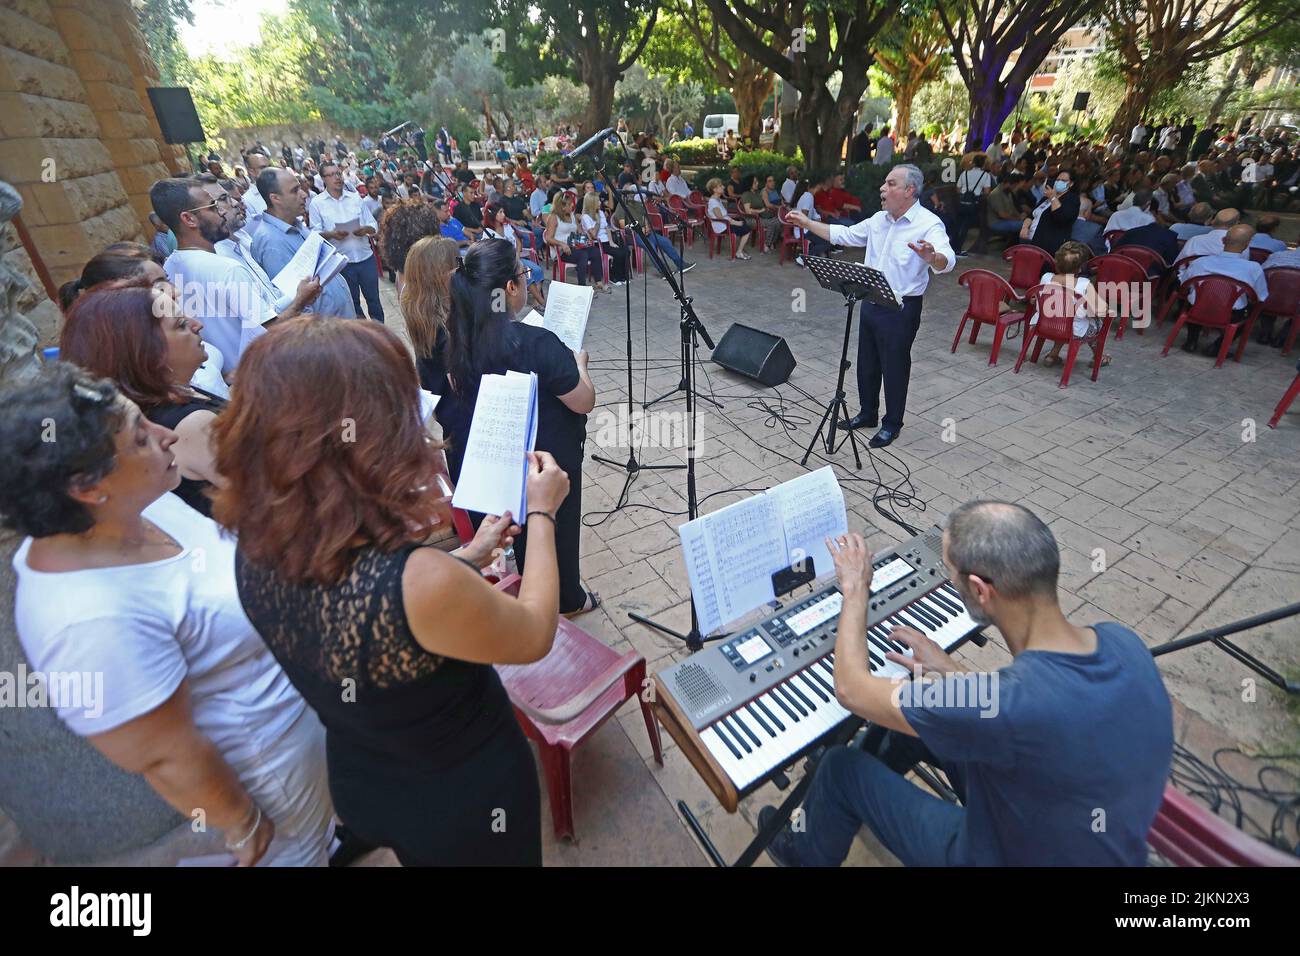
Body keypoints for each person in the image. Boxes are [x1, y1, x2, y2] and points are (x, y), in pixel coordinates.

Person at [209, 316, 557, 865]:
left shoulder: (254, 543)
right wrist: (542, 512)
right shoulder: (417, 583)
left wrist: (465, 556)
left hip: (366, 776)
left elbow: (361, 615)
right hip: (465, 800)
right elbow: (535, 632)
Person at [4, 362, 336, 866]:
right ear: (87, 487)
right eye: (139, 437)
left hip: (300, 744)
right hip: (268, 783)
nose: (165, 435)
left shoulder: (134, 505)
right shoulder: (86, 622)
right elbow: (165, 753)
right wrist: (241, 822)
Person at [758, 501, 1173, 867]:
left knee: (839, 768)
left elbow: (851, 689)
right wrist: (952, 672)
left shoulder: (1003, 704)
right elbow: (1028, 712)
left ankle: (806, 851)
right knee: (905, 728)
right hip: (1080, 831)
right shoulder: (1122, 642)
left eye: (952, 576)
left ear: (979, 589)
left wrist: (855, 590)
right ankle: (857, 805)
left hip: (1003, 854)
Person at [421, 239, 598, 617]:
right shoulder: (539, 342)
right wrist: (579, 363)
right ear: (510, 289)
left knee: (522, 525)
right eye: (523, 274)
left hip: (501, 456)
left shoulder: (459, 339)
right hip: (547, 459)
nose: (526, 279)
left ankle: (528, 573)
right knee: (555, 527)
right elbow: (582, 400)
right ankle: (567, 601)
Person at [788, 164, 954, 448]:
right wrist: (807, 224)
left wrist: (932, 257)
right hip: (870, 299)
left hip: (902, 308)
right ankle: (868, 413)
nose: (882, 188)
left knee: (894, 366)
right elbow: (844, 235)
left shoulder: (928, 223)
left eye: (890, 184)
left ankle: (892, 424)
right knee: (866, 362)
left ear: (909, 191)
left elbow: (947, 260)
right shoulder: (879, 220)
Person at [60, 281, 228, 516]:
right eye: (181, 325)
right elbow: (269, 498)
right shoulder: (191, 424)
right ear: (145, 351)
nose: (197, 325)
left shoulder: (168, 398)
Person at [151, 177, 320, 376]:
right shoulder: (227, 269)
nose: (223, 211)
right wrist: (301, 301)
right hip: (262, 376)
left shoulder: (170, 266)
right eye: (213, 207)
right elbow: (269, 332)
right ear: (189, 219)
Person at [252, 167, 357, 319]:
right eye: (295, 191)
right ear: (275, 198)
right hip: (327, 334)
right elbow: (296, 305)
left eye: (300, 188)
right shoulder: (270, 242)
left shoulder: (296, 224)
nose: (303, 195)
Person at [309, 161, 384, 323]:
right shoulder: (317, 203)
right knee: (352, 304)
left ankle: (381, 334)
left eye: (338, 173)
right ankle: (364, 334)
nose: (337, 177)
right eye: (331, 175)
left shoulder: (355, 198)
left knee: (374, 301)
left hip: (365, 258)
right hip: (342, 263)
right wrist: (332, 234)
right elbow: (314, 234)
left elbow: (373, 225)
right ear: (323, 179)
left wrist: (364, 230)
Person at [1179, 224, 1270, 356]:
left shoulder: (1201, 262)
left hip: (1197, 309)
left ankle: (1191, 341)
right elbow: (1261, 297)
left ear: (1223, 241)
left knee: (1195, 300)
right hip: (1231, 315)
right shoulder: (1254, 268)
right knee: (1252, 311)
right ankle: (1217, 347)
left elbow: (1185, 285)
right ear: (1247, 245)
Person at [1023, 241, 1112, 371]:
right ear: (1080, 268)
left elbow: (1035, 298)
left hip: (1041, 325)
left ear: (1057, 263)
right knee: (1095, 321)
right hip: (1070, 331)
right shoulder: (1084, 284)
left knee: (1064, 316)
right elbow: (1101, 309)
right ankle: (1098, 356)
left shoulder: (1046, 278)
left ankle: (1053, 354)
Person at [485, 201, 547, 307]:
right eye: (500, 212)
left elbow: (518, 243)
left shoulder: (506, 226)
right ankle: (543, 303)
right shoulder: (488, 233)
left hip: (516, 258)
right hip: (504, 265)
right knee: (526, 274)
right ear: (493, 215)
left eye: (503, 212)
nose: (503, 215)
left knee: (538, 270)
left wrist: (517, 255)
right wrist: (515, 261)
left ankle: (536, 301)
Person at [546, 190, 607, 292]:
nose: (572, 207)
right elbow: (548, 238)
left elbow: (579, 230)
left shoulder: (571, 215)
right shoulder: (553, 217)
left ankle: (598, 282)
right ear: (562, 206)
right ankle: (582, 287)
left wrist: (584, 236)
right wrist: (562, 244)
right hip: (562, 250)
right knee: (582, 255)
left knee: (595, 251)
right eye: (570, 205)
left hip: (575, 245)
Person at [580, 192, 630, 286]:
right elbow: (594, 235)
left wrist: (611, 241)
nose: (600, 202)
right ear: (592, 203)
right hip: (597, 243)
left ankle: (622, 276)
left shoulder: (600, 212)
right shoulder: (586, 217)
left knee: (626, 251)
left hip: (607, 241)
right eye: (598, 201)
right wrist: (598, 222)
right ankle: (613, 276)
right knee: (618, 253)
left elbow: (607, 228)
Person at [1025, 169, 1080, 256]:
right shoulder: (1046, 197)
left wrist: (1053, 198)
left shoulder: (1072, 199)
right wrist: (1025, 227)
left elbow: (1060, 217)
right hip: (1030, 238)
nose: (1059, 182)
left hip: (1049, 244)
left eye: (1064, 180)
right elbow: (1032, 214)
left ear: (1071, 183)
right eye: (1058, 180)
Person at [954, 155, 994, 255]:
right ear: (983, 164)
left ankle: (954, 247)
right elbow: (987, 191)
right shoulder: (985, 175)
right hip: (975, 205)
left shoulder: (965, 173)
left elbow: (958, 189)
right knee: (968, 226)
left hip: (962, 203)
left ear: (974, 163)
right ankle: (960, 249)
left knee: (959, 225)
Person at [705, 177, 753, 260]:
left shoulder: (717, 199)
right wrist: (735, 222)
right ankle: (739, 252)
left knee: (744, 223)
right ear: (715, 189)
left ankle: (740, 250)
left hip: (725, 224)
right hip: (722, 226)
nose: (723, 187)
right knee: (747, 229)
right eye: (720, 186)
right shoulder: (713, 202)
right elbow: (720, 217)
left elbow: (724, 215)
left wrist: (735, 220)